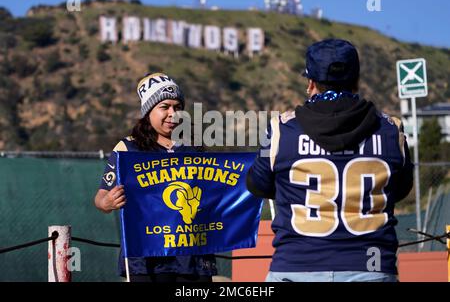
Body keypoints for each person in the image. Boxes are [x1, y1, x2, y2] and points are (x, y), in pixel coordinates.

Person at [246, 39, 414, 282]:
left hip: (297, 266)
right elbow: (400, 189)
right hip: (371, 268)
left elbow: (257, 184)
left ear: (311, 82)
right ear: (356, 80)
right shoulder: (391, 130)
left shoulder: (281, 130)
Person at [94, 73, 217, 282]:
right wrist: (107, 202)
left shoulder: (194, 148)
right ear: (147, 111)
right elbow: (100, 198)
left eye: (178, 107)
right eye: (165, 107)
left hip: (192, 260)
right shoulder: (127, 148)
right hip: (145, 260)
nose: (173, 114)